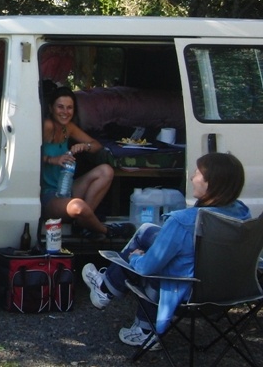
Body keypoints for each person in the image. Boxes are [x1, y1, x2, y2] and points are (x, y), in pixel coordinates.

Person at [81, 152, 251, 351]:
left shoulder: (183, 221)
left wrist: (136, 258)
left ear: (211, 183)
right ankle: (106, 289)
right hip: (229, 291)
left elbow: (147, 268)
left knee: (149, 259)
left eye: (196, 174)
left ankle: (139, 324)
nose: (191, 178)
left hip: (187, 293)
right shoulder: (241, 212)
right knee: (147, 231)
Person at [41, 86, 135, 239]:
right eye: (60, 107)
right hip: (49, 195)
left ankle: (84, 222)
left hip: (66, 187)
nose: (65, 112)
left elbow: (96, 145)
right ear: (51, 108)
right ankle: (105, 230)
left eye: (69, 108)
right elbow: (26, 152)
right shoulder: (47, 126)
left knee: (106, 170)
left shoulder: (67, 128)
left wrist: (85, 146)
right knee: (78, 206)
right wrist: (52, 160)